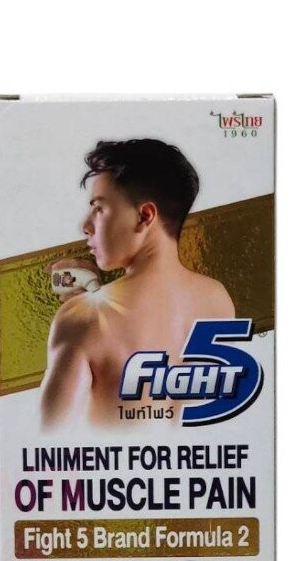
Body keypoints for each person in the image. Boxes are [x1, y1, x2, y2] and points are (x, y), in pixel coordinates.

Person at [40, 139, 234, 427]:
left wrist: (79, 315)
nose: (86, 226)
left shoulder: (84, 317)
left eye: (99, 208)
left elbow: (47, 439)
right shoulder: (217, 299)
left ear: (144, 216)